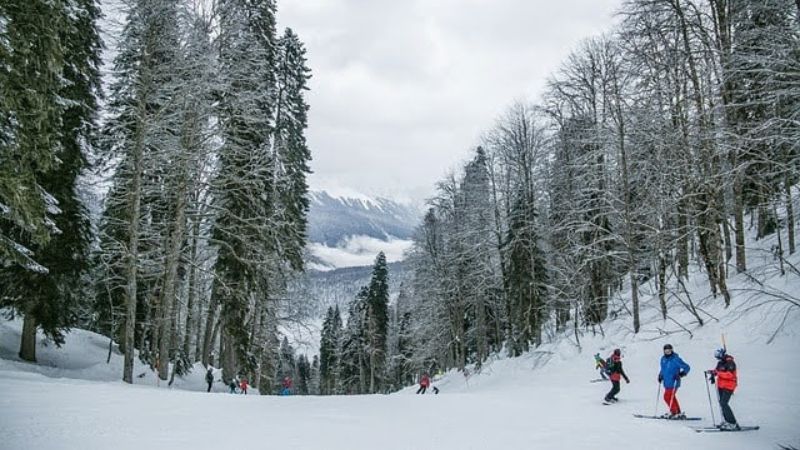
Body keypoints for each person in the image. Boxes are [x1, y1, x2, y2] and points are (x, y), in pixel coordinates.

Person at [706, 348, 740, 430]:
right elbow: (717, 370)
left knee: (724, 403)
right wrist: (712, 373)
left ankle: (733, 423)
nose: (717, 358)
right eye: (716, 356)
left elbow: (729, 375)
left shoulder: (730, 363)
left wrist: (718, 373)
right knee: (721, 404)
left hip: (729, 385)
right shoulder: (720, 363)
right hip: (721, 385)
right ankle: (726, 421)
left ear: (722, 354)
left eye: (718, 356)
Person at [658, 343, 690, 418]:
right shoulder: (663, 359)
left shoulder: (676, 359)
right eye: (666, 351)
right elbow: (663, 369)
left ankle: (674, 411)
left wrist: (681, 374)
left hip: (674, 381)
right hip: (666, 382)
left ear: (672, 350)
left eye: (669, 351)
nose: (667, 352)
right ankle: (677, 411)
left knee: (667, 397)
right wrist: (660, 376)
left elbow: (687, 367)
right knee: (671, 397)